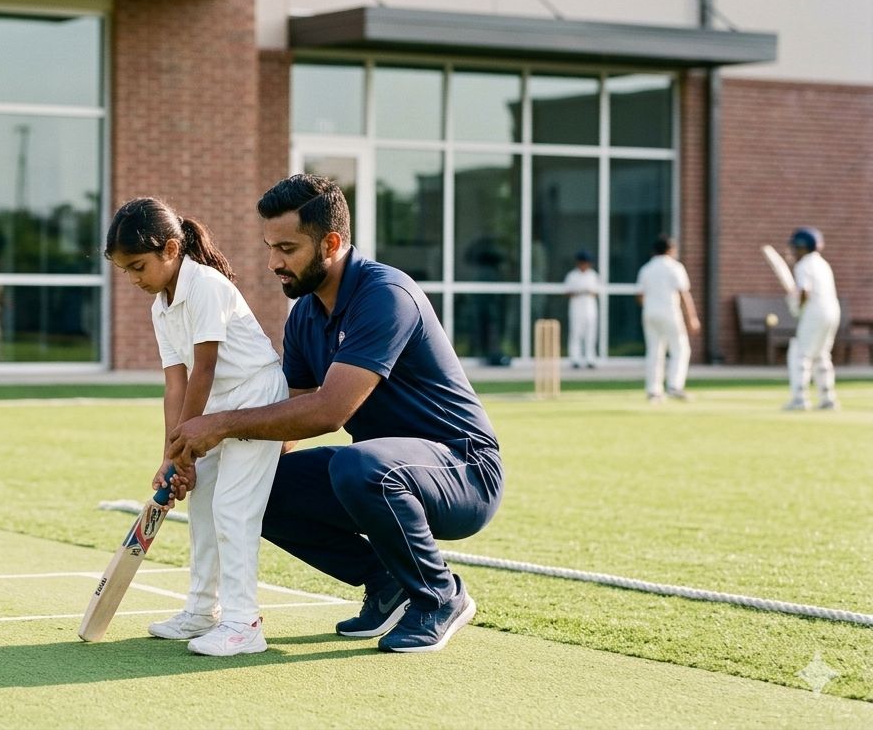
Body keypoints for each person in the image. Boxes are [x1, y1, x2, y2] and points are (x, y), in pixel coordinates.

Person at [167, 174, 504, 654]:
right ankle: (385, 582)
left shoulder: (385, 294)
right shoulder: (305, 313)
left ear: (331, 242)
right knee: (263, 486)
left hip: (464, 471)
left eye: (287, 248)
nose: (273, 263)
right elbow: (288, 416)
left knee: (359, 465)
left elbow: (328, 411)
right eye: (269, 247)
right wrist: (206, 462)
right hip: (384, 467)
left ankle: (439, 598)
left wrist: (217, 425)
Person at [105, 197, 288, 657]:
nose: (133, 279)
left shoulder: (205, 286)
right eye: (125, 270)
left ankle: (244, 624)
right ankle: (201, 611)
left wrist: (186, 447)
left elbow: (203, 369)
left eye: (138, 266)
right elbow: (175, 383)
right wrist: (172, 456)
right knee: (203, 508)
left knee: (232, 508)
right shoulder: (160, 306)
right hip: (214, 407)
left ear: (170, 249)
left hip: (255, 396)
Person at [635, 235, 700, 403]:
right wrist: (692, 317)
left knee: (654, 352)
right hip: (670, 312)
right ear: (671, 250)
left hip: (650, 313)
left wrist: (650, 307)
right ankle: (674, 386)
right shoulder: (675, 267)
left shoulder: (646, 269)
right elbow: (684, 293)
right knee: (680, 349)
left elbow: (640, 296)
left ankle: (653, 390)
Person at [783, 227, 840, 411]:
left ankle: (799, 398)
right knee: (821, 354)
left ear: (802, 247)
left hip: (815, 312)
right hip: (832, 311)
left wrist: (797, 306)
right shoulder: (823, 263)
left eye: (795, 247)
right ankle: (827, 398)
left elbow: (805, 291)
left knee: (800, 353)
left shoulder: (804, 265)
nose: (792, 251)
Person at [564, 250, 600, 369]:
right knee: (575, 334)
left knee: (590, 334)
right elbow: (567, 292)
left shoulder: (593, 275)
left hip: (590, 309)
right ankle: (575, 359)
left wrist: (587, 291)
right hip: (576, 308)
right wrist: (579, 292)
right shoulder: (572, 275)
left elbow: (596, 292)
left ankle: (590, 359)